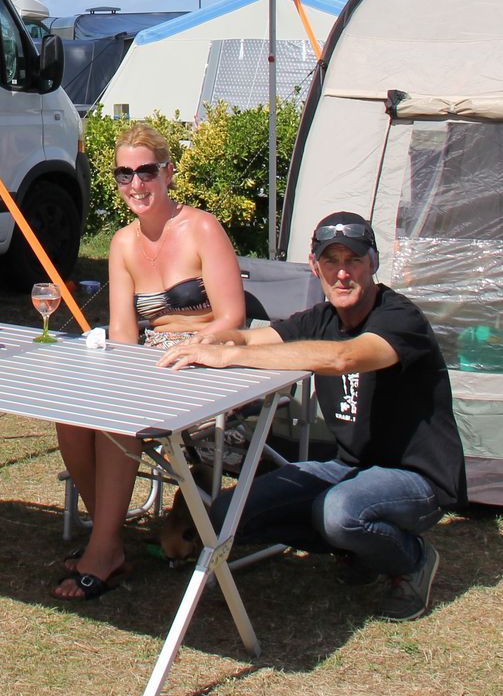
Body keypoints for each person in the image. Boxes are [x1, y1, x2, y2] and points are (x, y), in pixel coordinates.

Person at [159, 210, 465, 620]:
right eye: (331, 261)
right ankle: (357, 548)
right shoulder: (322, 318)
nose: (342, 273)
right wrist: (210, 337)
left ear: (372, 263)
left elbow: (344, 357)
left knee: (339, 512)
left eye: (353, 260)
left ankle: (412, 559)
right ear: (314, 266)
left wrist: (229, 354)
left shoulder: (399, 317)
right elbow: (253, 336)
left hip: (416, 479)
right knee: (225, 516)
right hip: (349, 469)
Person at [53, 123, 247, 602]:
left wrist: (193, 338)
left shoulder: (201, 228)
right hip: (149, 362)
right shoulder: (122, 243)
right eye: (124, 174)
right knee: (70, 418)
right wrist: (120, 367)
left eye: (146, 172)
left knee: (120, 421)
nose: (136, 185)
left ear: (168, 173)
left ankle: (102, 552)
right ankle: (109, 539)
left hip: (208, 363)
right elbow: (122, 330)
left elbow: (233, 316)